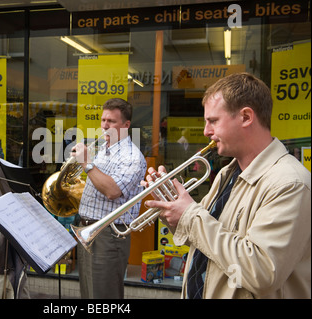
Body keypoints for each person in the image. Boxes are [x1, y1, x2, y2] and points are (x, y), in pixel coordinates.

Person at [144, 72, 311, 299]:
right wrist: (171, 207)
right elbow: (204, 240)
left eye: (213, 121)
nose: (206, 132)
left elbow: (262, 273)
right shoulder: (228, 172)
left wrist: (190, 215)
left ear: (245, 117)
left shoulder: (290, 183)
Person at [71, 98, 147, 299]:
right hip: (88, 230)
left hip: (108, 235)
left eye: (111, 121)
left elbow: (112, 191)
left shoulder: (132, 157)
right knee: (89, 293)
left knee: (104, 296)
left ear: (126, 125)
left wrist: (86, 164)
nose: (105, 125)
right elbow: (95, 182)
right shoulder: (102, 150)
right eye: (103, 120)